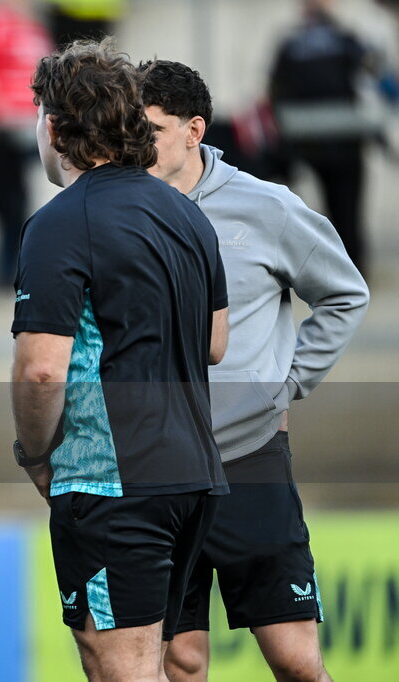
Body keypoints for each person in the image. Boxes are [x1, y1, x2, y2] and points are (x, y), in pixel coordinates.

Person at [141, 59, 369, 682]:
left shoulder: (265, 205)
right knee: (182, 660)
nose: (138, 147)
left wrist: (289, 382)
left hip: (249, 456)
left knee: (295, 659)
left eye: (152, 130)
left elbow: (345, 294)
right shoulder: (120, 210)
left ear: (194, 129)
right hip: (156, 468)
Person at [10, 40, 228, 681]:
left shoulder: (61, 221)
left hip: (113, 483)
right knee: (148, 666)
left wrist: (34, 454)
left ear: (52, 125)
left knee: (122, 670)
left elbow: (41, 370)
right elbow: (218, 342)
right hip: (193, 478)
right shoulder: (187, 215)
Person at [269, 0, 381, 275]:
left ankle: (329, 269)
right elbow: (373, 72)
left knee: (314, 213)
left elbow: (276, 89)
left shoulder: (292, 43)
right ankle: (352, 270)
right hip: (344, 143)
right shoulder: (347, 39)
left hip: (308, 144)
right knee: (347, 211)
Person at [0, 0, 52, 286]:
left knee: (20, 202)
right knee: (10, 204)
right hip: (2, 126)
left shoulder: (31, 25)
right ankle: (8, 269)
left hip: (28, 123)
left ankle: (13, 266)